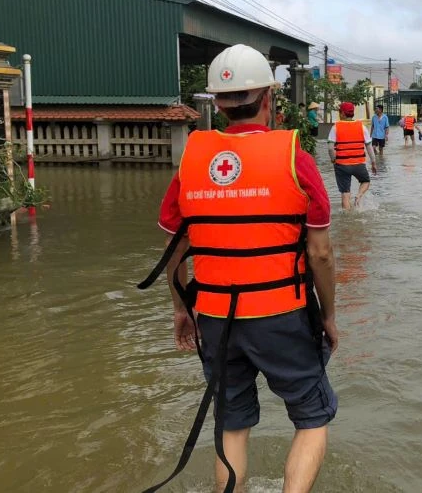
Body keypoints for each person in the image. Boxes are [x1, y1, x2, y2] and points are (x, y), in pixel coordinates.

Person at [143, 44, 338, 493]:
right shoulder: (296, 158)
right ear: (269, 97)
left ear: (218, 103)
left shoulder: (190, 161)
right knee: (311, 418)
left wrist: (180, 309)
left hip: (214, 318)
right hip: (282, 316)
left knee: (230, 425)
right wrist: (328, 315)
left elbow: (175, 248)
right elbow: (321, 254)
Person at [327, 101, 377, 209]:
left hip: (342, 165)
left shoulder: (336, 127)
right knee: (366, 181)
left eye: (340, 112)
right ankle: (358, 196)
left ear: (343, 114)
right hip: (359, 164)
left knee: (345, 194)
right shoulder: (362, 127)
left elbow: (330, 148)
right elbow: (369, 147)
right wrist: (373, 163)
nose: (339, 114)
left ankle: (347, 221)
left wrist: (333, 160)